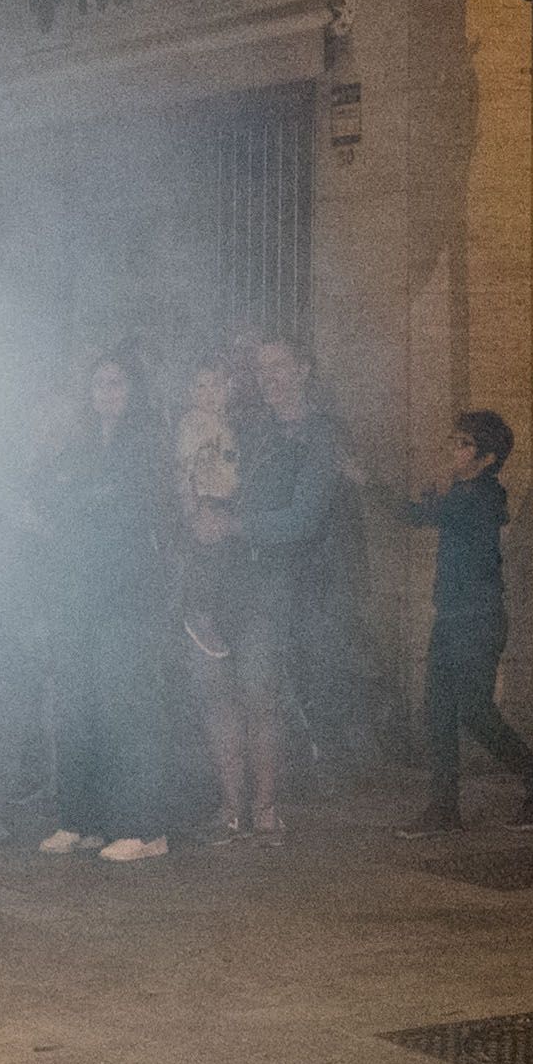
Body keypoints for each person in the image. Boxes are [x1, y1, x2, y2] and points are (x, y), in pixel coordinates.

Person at [33, 352, 172, 861]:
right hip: (80, 593)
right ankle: (82, 819)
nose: (106, 393)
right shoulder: (82, 447)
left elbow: (142, 513)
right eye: (98, 385)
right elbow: (61, 507)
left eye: (116, 383)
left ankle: (144, 826)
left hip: (129, 594)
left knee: (126, 706)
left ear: (133, 390)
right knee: (77, 704)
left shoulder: (148, 446)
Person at [396, 411, 533, 838]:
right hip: (454, 618)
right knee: (442, 711)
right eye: (454, 441)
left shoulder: (480, 496)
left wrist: (370, 486)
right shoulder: (466, 494)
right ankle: (444, 807)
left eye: (464, 444)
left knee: (473, 711)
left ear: (487, 458)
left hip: (476, 621)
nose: (454, 451)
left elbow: (422, 515)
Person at [227, 338, 346, 843]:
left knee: (263, 689)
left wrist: (234, 526)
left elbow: (304, 518)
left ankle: (269, 805)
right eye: (262, 368)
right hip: (240, 579)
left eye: (279, 367)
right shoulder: (252, 430)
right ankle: (237, 806)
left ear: (304, 370)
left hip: (287, 584)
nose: (269, 377)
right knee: (235, 692)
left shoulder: (319, 435)